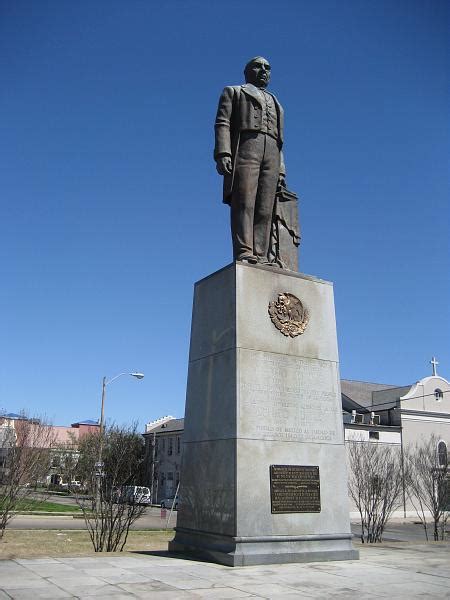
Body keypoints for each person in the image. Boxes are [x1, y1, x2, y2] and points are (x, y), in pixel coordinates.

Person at [214, 56, 286, 264]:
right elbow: (222, 123)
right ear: (246, 72)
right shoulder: (234, 91)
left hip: (271, 151)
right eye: (258, 66)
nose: (264, 70)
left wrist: (281, 169)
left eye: (268, 68)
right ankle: (245, 250)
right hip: (246, 148)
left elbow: (280, 141)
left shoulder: (275, 101)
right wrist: (223, 153)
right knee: (244, 201)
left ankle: (262, 254)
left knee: (266, 206)